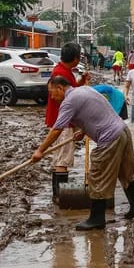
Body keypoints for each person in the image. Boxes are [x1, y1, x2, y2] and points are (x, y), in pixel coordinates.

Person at [34, 76, 134, 230]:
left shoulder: (69, 101)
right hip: (122, 131)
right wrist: (84, 130)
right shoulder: (84, 90)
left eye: (52, 92)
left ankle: (97, 218)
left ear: (60, 88)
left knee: (97, 175)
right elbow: (97, 113)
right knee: (126, 172)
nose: (52, 97)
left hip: (110, 138)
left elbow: (57, 129)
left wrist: (40, 150)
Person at [45, 42, 87, 202]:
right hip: (63, 122)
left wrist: (81, 81)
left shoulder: (65, 72)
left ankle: (57, 194)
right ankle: (60, 196)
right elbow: (70, 99)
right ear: (75, 59)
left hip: (61, 120)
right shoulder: (60, 73)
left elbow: (72, 91)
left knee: (59, 157)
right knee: (63, 158)